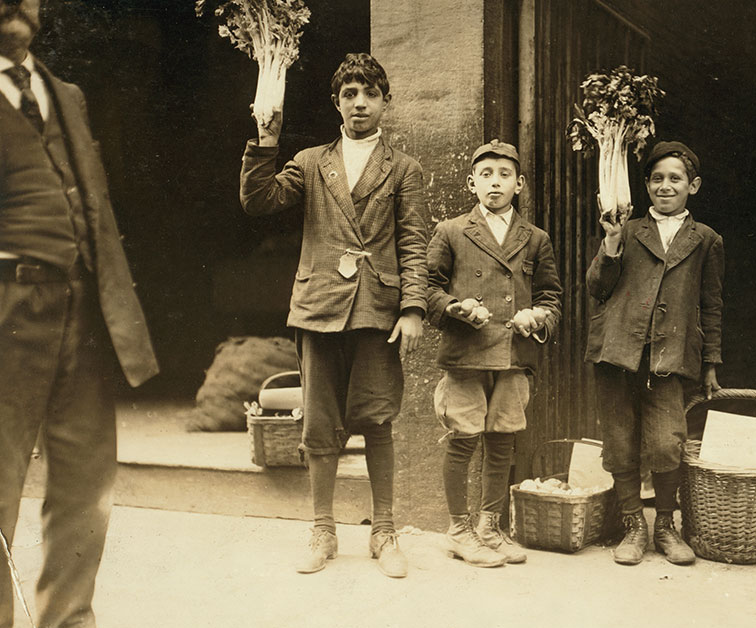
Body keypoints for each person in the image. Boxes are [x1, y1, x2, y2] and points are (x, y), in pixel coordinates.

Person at [0, 1, 159, 628]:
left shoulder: (65, 94)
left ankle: (68, 620)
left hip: (82, 308)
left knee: (85, 475)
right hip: (6, 307)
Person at [239, 53, 428, 578]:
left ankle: (384, 532)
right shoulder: (309, 161)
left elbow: (414, 242)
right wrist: (265, 140)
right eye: (350, 94)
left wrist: (412, 308)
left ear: (385, 101)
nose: (360, 103)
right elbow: (258, 200)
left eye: (370, 93)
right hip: (319, 305)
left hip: (377, 310)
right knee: (320, 424)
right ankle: (322, 530)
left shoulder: (405, 168)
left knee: (377, 419)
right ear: (336, 103)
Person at [585, 140, 723, 566]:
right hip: (619, 353)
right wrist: (610, 245)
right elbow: (597, 288)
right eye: (657, 179)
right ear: (646, 185)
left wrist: (711, 362)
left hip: (670, 357)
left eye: (675, 179)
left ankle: (665, 525)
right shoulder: (625, 231)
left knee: (667, 443)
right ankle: (633, 524)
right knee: (620, 443)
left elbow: (711, 304)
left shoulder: (706, 241)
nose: (666, 186)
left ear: (693, 186)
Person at [426, 139, 562, 567]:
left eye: (505, 175)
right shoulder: (450, 231)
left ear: (519, 184)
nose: (495, 183)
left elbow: (552, 298)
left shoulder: (535, 238)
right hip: (467, 356)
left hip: (513, 356)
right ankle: (458, 529)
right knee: (464, 440)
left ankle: (490, 526)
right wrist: (455, 307)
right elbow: (427, 290)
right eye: (486, 175)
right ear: (472, 182)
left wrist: (537, 317)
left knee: (502, 443)